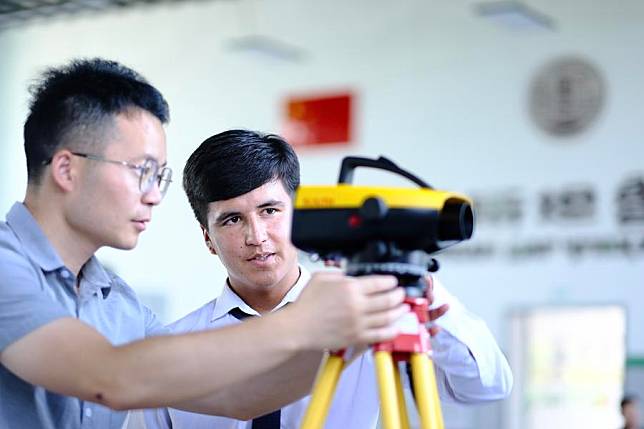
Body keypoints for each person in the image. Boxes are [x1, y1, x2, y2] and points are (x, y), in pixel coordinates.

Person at [0, 58, 409, 429]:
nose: (154, 195)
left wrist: (352, 334)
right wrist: (304, 321)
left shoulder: (118, 304)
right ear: (67, 169)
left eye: (159, 177)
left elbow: (239, 397)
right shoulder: (5, 266)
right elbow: (110, 376)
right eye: (141, 171)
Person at [139, 129, 513, 429]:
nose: (257, 236)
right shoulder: (172, 347)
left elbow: (486, 387)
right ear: (208, 238)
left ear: (300, 215)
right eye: (232, 219)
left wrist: (428, 304)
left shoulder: (363, 327)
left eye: (270, 210)